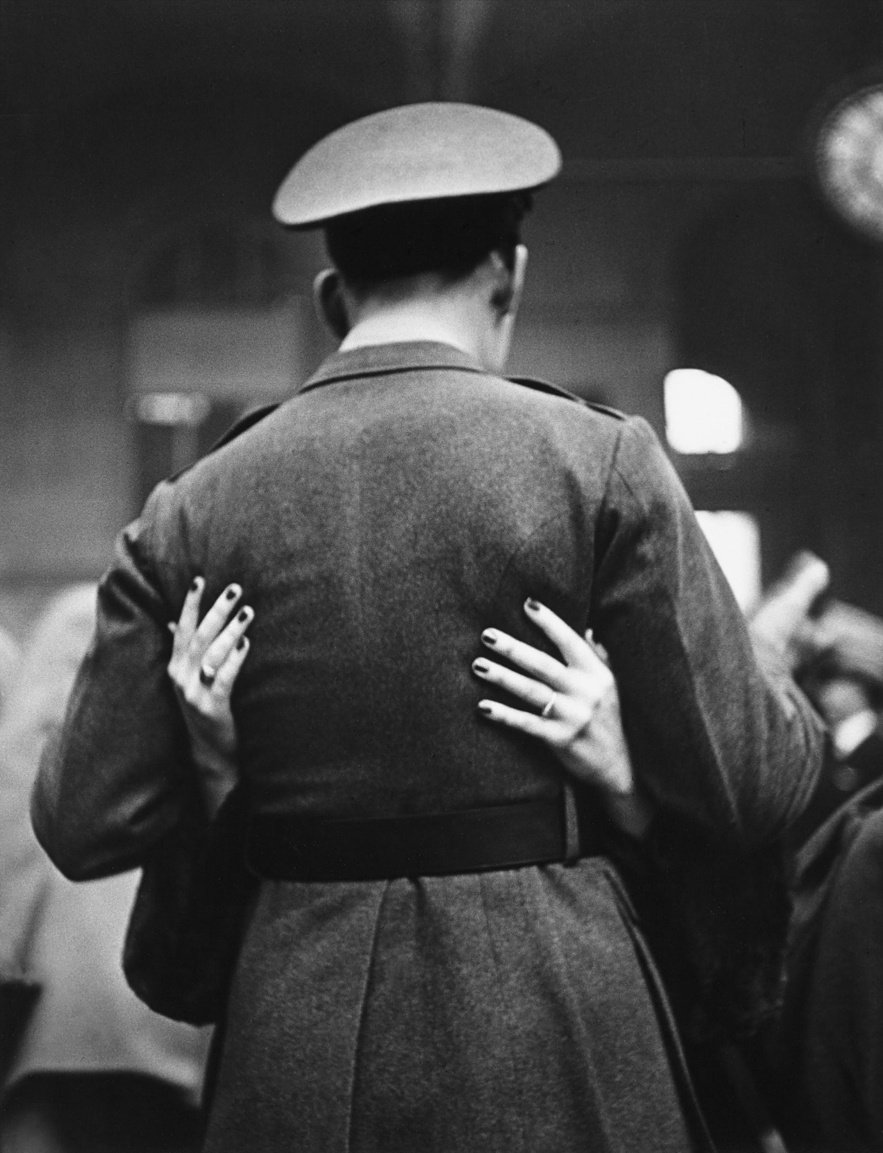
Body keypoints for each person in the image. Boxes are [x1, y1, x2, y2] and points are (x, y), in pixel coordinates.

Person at [31, 103, 824, 1152]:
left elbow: (80, 822)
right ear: (508, 274)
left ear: (333, 294)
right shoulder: (596, 463)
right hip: (555, 1010)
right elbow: (754, 780)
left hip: (293, 1026)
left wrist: (210, 756)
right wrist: (676, 724)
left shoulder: (195, 506)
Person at [0, 586, 210, 1153]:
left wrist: (5, 953)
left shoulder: (86, 615)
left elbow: (16, 800)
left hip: (76, 1008)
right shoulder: (221, 618)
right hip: (186, 1016)